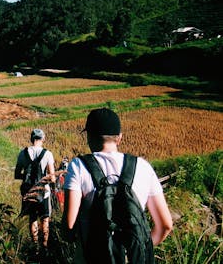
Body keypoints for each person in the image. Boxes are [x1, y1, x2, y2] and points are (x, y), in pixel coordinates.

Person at [62, 108, 172, 263]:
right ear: (119, 138)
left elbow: (68, 228)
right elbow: (165, 225)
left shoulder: (78, 166)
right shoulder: (143, 166)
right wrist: (135, 251)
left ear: (89, 136)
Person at [14, 128, 56, 253]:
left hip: (29, 192)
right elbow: (52, 178)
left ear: (31, 139)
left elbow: (17, 174)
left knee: (32, 218)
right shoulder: (47, 154)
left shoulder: (23, 153)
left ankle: (35, 248)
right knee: (45, 218)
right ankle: (45, 247)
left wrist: (28, 177)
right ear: (43, 139)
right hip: (44, 192)